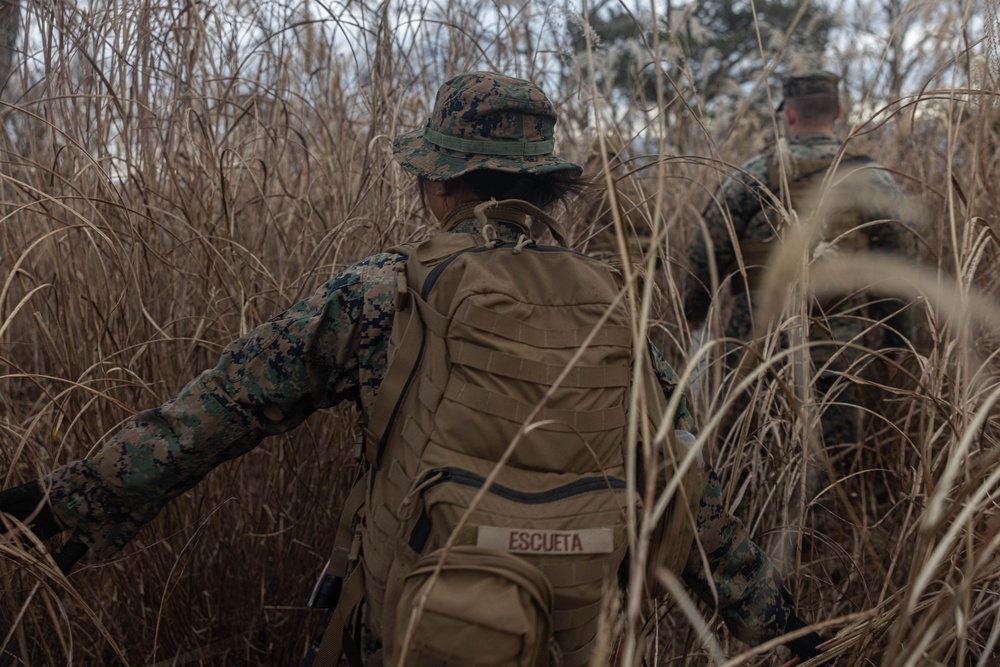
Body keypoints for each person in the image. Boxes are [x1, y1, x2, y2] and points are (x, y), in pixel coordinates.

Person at [0, 71, 828, 666]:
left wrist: (74, 498)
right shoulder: (620, 306)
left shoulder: (384, 292)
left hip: (413, 627)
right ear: (544, 188)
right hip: (581, 631)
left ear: (439, 187)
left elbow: (219, 408)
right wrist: (786, 632)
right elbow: (694, 498)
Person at [684, 70, 918, 457]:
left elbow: (705, 248)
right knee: (834, 467)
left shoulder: (752, 176)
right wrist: (897, 340)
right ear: (839, 112)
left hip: (755, 348)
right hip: (839, 348)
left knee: (745, 457)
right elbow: (901, 268)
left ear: (788, 115)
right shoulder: (872, 180)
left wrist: (695, 312)